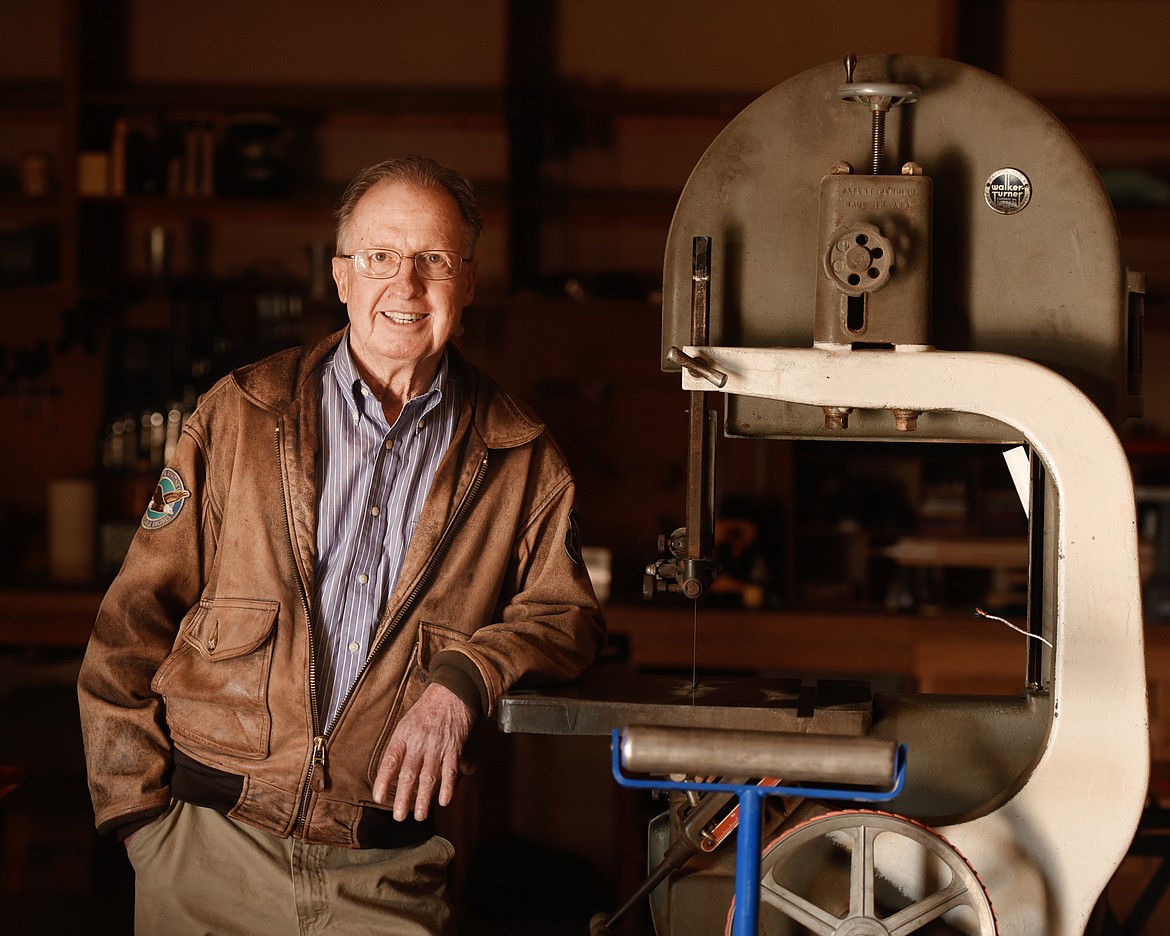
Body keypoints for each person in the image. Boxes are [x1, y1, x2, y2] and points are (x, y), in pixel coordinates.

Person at [77, 155, 606, 935]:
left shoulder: (520, 453)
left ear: (467, 280)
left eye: (434, 259)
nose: (407, 284)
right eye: (380, 257)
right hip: (204, 852)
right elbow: (132, 620)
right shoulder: (241, 414)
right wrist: (137, 817)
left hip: (385, 874)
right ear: (340, 277)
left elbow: (568, 618)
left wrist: (465, 679)